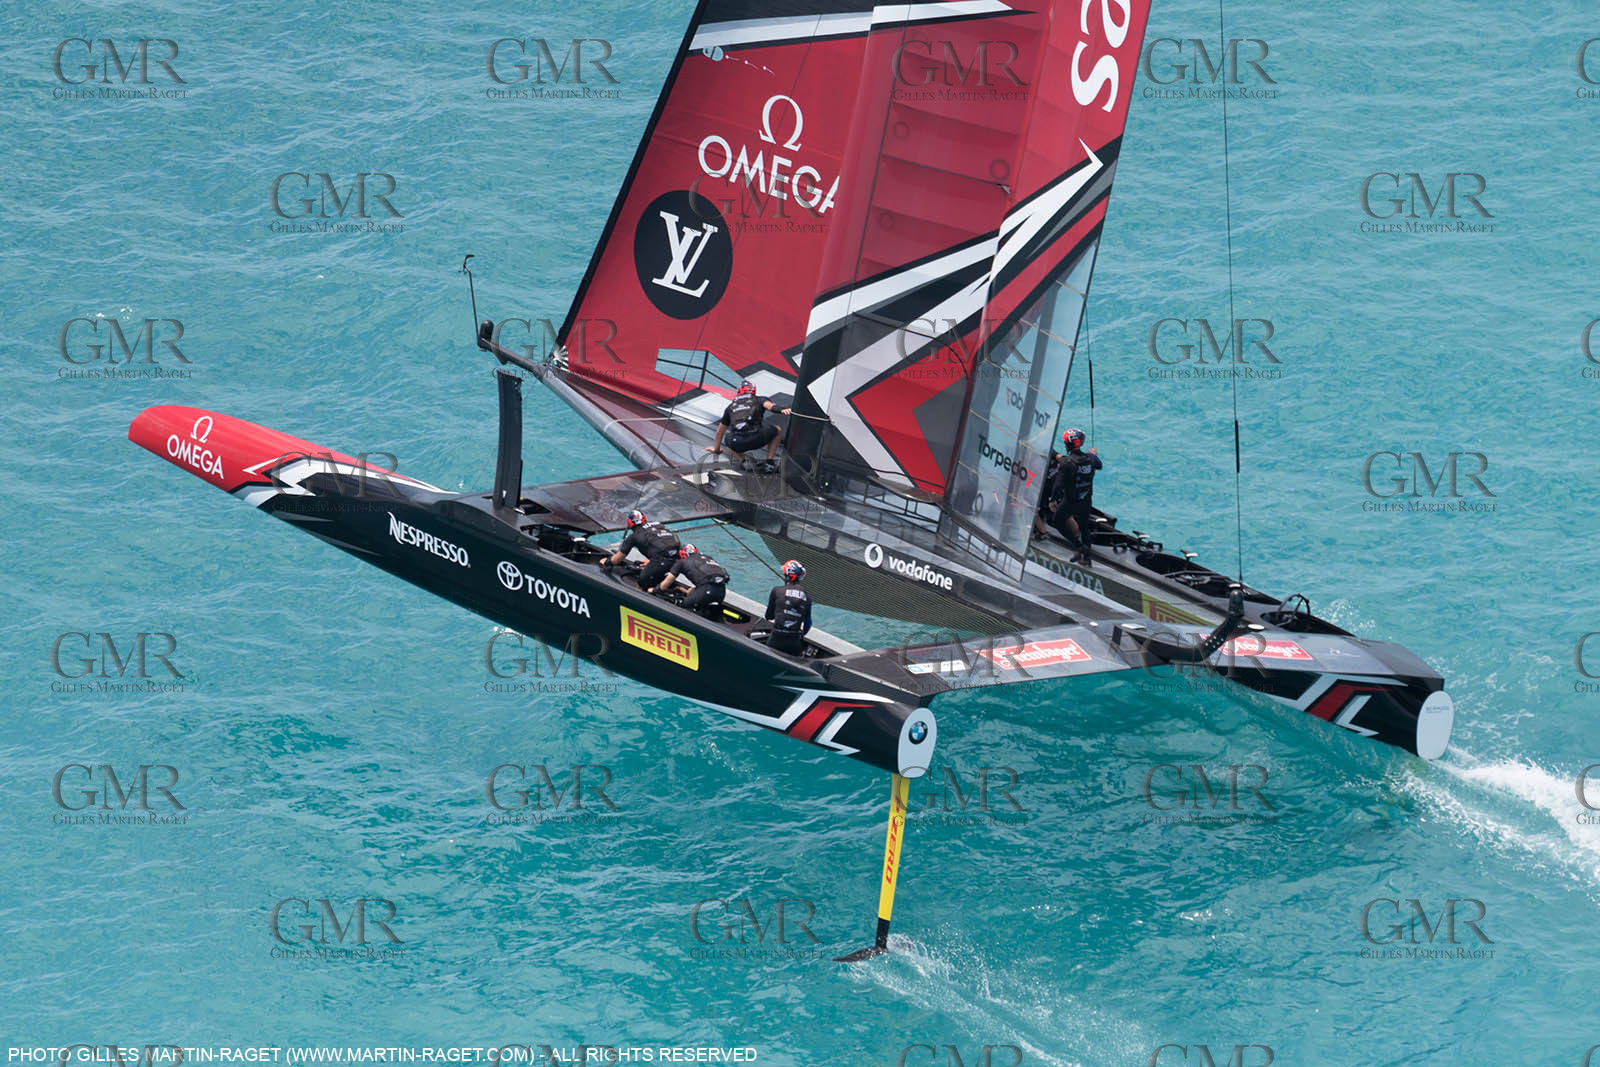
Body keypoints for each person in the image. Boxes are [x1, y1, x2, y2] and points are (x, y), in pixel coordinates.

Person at [1046, 428, 1102, 567]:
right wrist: (1094, 455)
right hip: (1086, 500)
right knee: (1084, 527)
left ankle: (1079, 546)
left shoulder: (1067, 463)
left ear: (1067, 444)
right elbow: (1099, 465)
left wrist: (1052, 500)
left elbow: (1058, 484)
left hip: (1070, 501)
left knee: (1058, 521)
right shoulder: (1090, 459)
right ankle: (1086, 558)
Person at [707, 380, 791, 471]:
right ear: (753, 391)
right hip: (758, 438)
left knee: (728, 442)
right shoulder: (760, 399)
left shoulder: (730, 407)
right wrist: (782, 410)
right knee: (777, 430)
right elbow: (771, 406)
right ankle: (769, 462)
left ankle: (743, 461)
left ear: (739, 392)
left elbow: (719, 432)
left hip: (738, 442)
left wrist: (716, 450)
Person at [603, 509, 680, 590]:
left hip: (662, 561)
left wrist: (606, 562)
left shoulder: (633, 536)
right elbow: (663, 543)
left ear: (630, 524)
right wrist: (651, 560)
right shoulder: (658, 524)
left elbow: (617, 559)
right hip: (678, 558)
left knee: (642, 583)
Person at [655, 543, 729, 616]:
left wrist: (655, 590)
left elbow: (666, 583)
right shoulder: (707, 558)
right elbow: (707, 580)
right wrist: (690, 591)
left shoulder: (682, 562)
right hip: (721, 592)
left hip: (706, 591)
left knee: (682, 605)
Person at [763, 559, 812, 655]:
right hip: (794, 642)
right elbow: (808, 624)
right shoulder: (807, 597)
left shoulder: (776, 590)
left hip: (776, 639)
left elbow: (769, 616)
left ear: (787, 574)